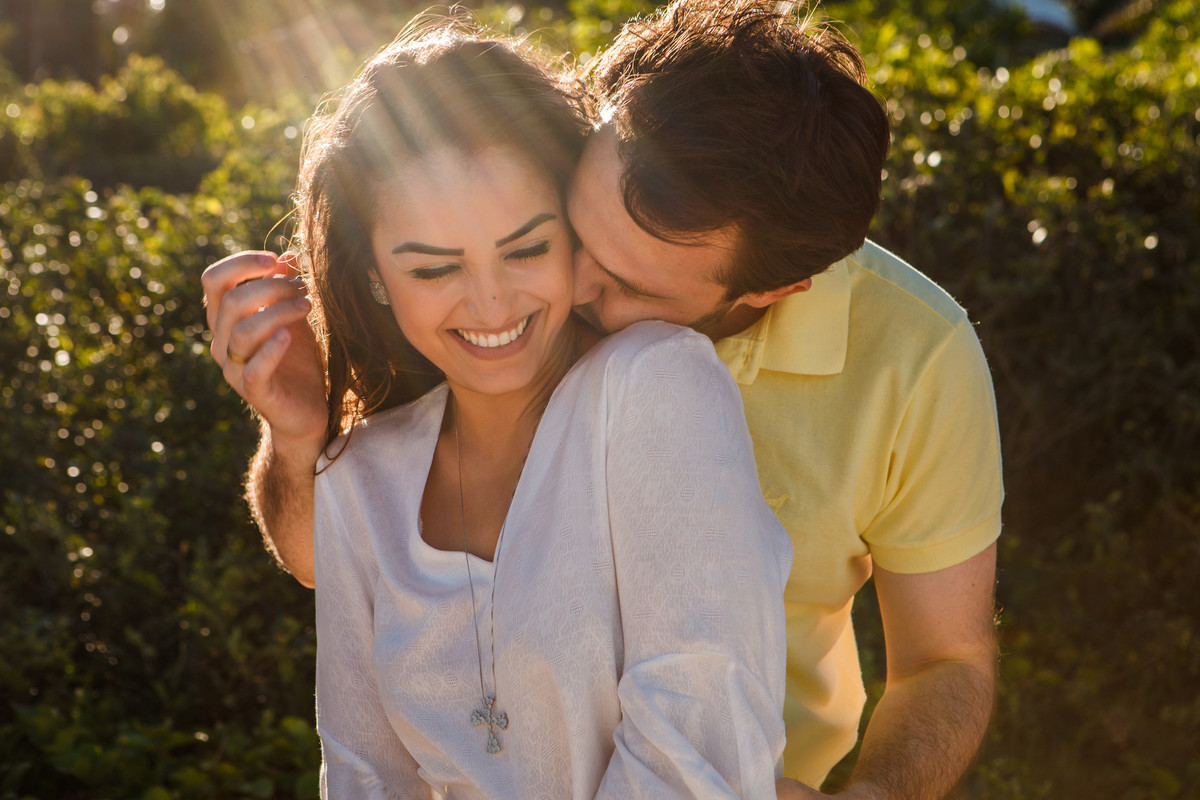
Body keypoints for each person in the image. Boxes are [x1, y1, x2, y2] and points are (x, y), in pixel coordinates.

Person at [204, 2, 1003, 797]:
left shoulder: (912, 357)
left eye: (623, 283)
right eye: (575, 230)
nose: (568, 290)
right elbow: (342, 561)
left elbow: (945, 661)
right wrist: (299, 436)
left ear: (773, 291)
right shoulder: (505, 233)